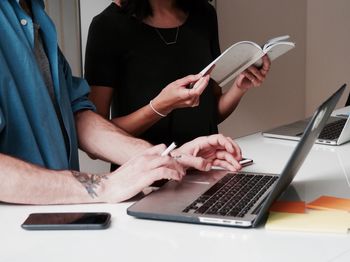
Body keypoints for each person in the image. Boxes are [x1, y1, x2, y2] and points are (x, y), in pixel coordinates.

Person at [0, 0, 243, 205]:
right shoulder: (107, 24)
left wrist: (169, 158)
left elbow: (78, 116)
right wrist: (104, 186)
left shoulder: (36, 15)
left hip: (53, 218)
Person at [85, 0, 271, 150]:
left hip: (208, 168)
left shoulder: (204, 14)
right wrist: (158, 107)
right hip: (146, 180)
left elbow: (210, 115)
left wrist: (239, 88)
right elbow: (95, 137)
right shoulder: (107, 26)